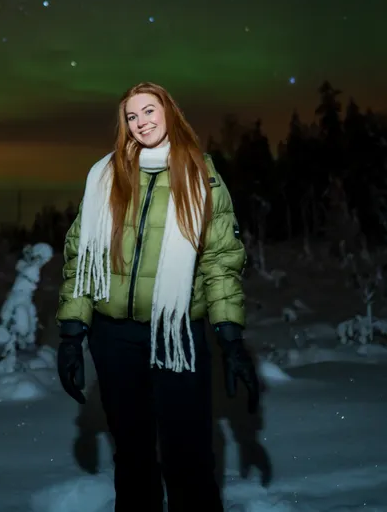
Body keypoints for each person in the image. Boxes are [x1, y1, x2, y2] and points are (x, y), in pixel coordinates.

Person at [57, 81, 259, 512]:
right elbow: (81, 255)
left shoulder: (201, 174)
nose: (141, 122)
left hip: (177, 338)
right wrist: (73, 332)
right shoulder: (106, 176)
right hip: (113, 339)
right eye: (131, 116)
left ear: (169, 112)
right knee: (132, 458)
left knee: (188, 458)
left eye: (148, 111)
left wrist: (229, 335)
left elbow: (220, 259)